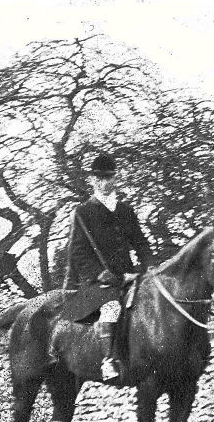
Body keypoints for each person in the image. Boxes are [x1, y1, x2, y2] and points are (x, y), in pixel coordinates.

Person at [65, 153, 152, 380]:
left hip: (127, 276)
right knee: (111, 307)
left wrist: (149, 266)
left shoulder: (125, 211)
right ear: (93, 180)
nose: (105, 183)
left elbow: (140, 243)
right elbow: (77, 251)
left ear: (116, 178)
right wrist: (98, 273)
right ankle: (108, 360)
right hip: (98, 282)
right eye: (99, 178)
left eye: (109, 177)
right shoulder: (82, 213)